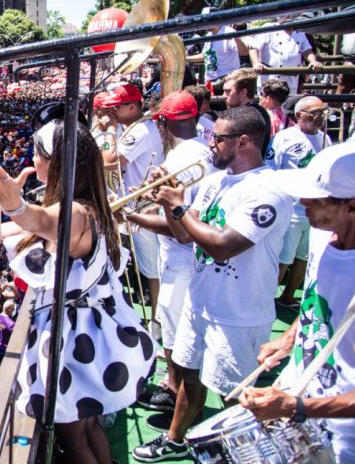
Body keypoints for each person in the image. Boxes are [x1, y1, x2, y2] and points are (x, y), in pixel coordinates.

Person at [0, 107, 154, 464]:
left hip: (74, 345)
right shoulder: (86, 204)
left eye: (37, 154)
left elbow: (37, 220)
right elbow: (30, 227)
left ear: (56, 163)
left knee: (74, 441)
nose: (32, 160)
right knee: (88, 430)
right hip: (83, 336)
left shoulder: (74, 212)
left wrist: (15, 204)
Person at [133, 105, 293, 462]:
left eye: (216, 138)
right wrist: (166, 199)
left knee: (235, 393)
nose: (210, 145)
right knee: (190, 376)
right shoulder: (215, 180)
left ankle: (240, 452)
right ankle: (175, 440)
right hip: (200, 300)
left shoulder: (269, 190)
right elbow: (185, 236)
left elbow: (223, 247)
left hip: (238, 312)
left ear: (244, 141)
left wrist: (177, 209)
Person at [240, 142, 355, 462]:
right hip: (300, 395)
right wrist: (290, 339)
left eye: (316, 199)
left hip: (343, 438)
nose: (303, 202)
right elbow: (320, 300)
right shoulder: (325, 233)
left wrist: (298, 407)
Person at [125, 91, 213, 418]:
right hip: (192, 259)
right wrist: (149, 197)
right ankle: (175, 388)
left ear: (162, 122)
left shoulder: (178, 161)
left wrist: (134, 216)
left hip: (181, 259)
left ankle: (175, 392)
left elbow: (179, 226)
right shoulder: (204, 149)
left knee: (176, 332)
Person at [101, 83, 165, 335]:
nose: (112, 112)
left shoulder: (141, 131)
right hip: (131, 207)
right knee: (138, 267)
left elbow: (109, 162)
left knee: (152, 269)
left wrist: (109, 132)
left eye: (117, 107)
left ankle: (158, 321)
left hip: (143, 208)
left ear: (133, 106)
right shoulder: (135, 128)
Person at [267, 96, 332, 309]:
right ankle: (267, 299)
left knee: (305, 256)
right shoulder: (284, 138)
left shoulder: (325, 139)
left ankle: (288, 295)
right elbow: (272, 168)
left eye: (322, 112)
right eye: (314, 113)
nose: (319, 118)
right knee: (284, 257)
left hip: (315, 208)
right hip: (291, 207)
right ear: (299, 115)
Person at [249, 10, 323, 94]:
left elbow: (307, 51)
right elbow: (253, 47)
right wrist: (256, 63)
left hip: (292, 79)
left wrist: (313, 61)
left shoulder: (300, 32)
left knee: (288, 105)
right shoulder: (269, 27)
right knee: (268, 104)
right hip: (270, 77)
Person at [185, 8, 248, 90]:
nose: (204, 22)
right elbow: (205, 56)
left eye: (206, 19)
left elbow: (244, 52)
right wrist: (185, 58)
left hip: (226, 80)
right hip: (209, 81)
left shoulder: (228, 32)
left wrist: (236, 37)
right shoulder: (209, 35)